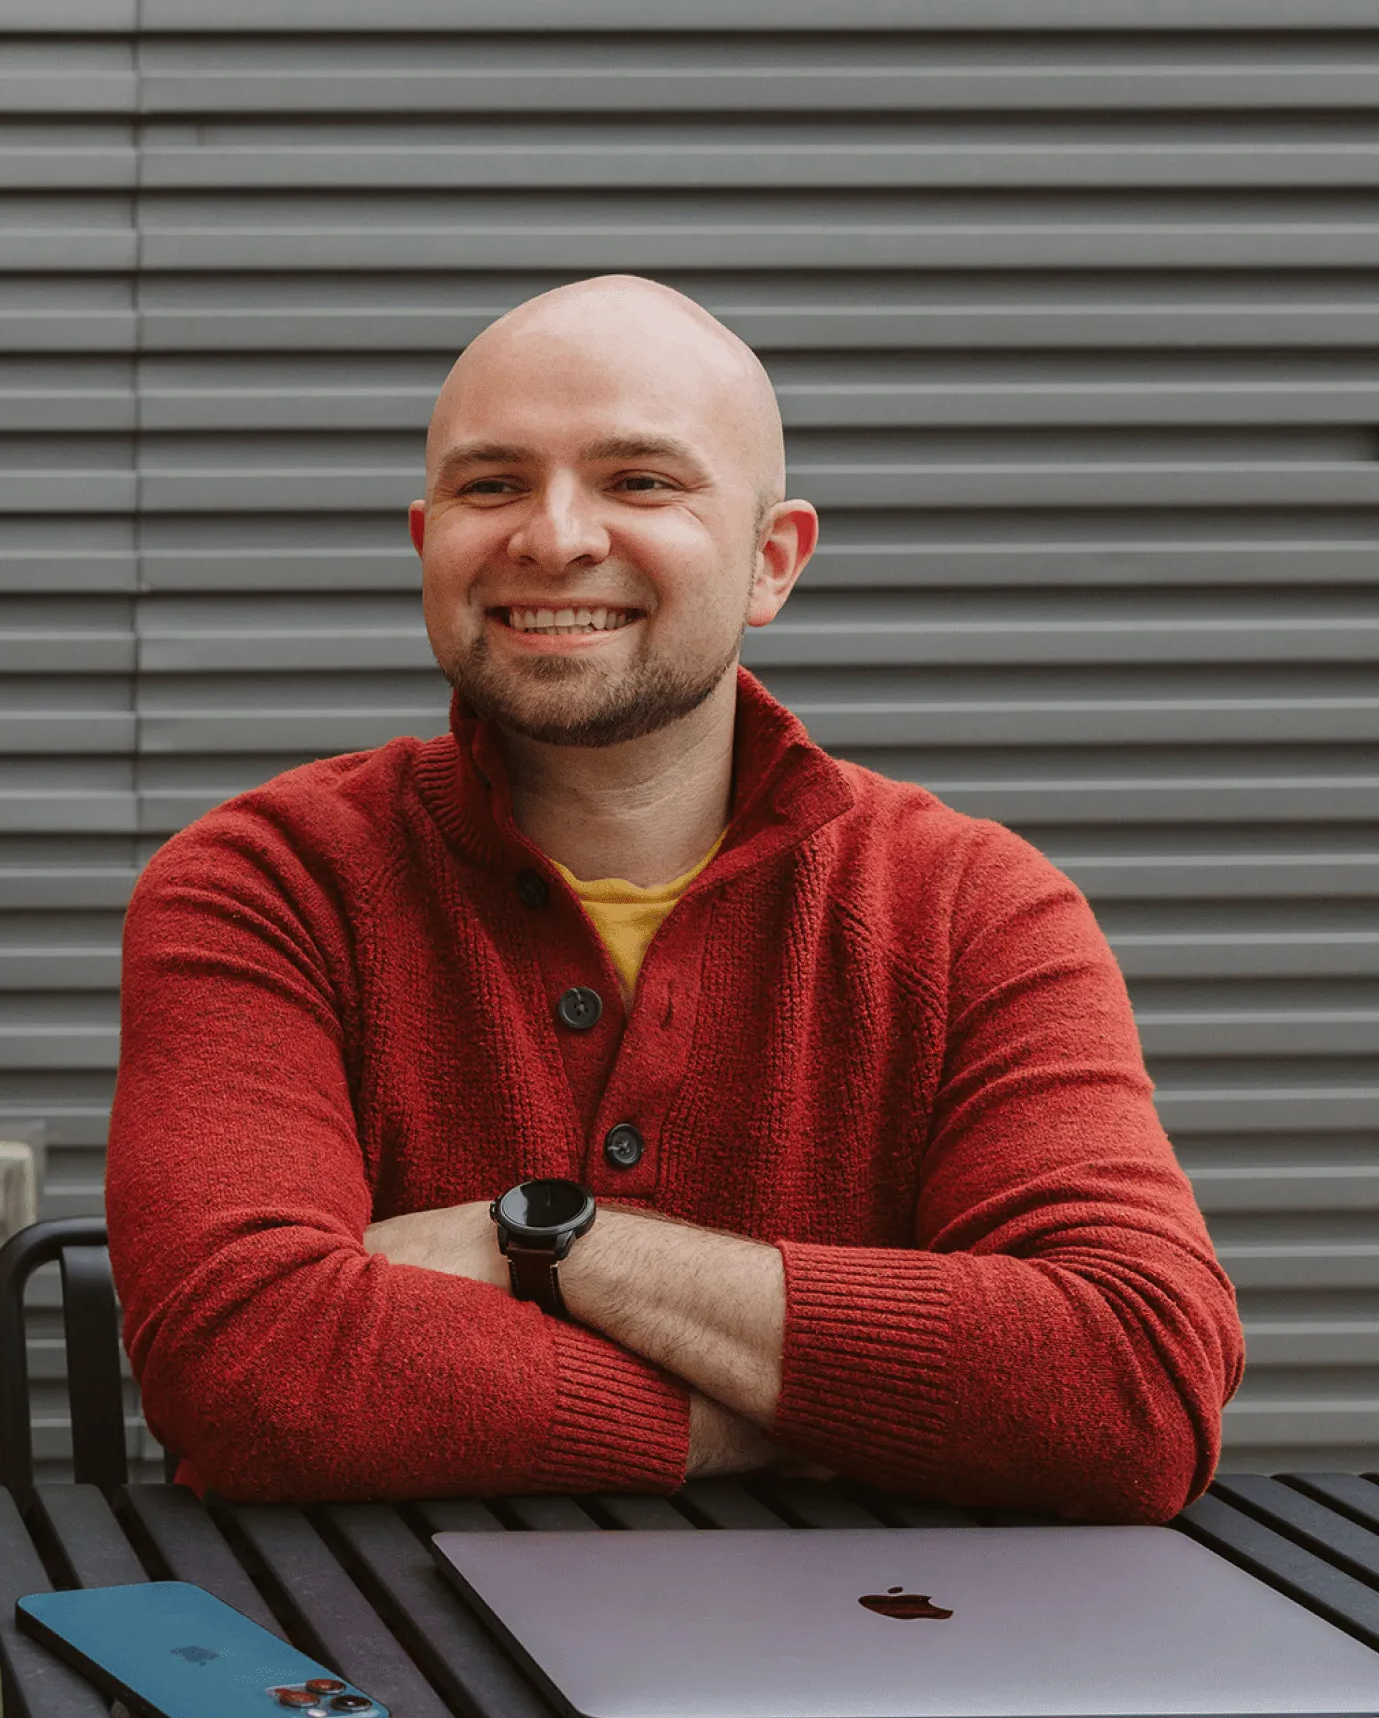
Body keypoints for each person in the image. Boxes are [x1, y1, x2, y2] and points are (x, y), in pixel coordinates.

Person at [102, 275, 1242, 1522]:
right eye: (492, 485)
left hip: (875, 1657)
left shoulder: (973, 907)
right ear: (429, 548)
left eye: (639, 481)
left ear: (771, 562)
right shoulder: (266, 882)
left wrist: (539, 1240)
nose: (554, 537)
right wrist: (755, 1418)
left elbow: (1129, 1389)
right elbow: (253, 1369)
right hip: (353, 1661)